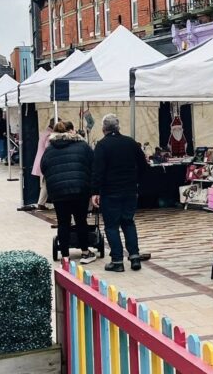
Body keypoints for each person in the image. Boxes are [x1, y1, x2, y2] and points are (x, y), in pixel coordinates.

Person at [92, 113, 148, 272]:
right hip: (130, 190)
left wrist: (95, 191)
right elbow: (144, 166)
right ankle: (135, 256)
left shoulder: (102, 145)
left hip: (110, 191)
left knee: (111, 226)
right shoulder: (131, 143)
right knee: (128, 222)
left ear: (104, 129)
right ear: (118, 127)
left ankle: (117, 261)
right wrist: (136, 182)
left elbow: (98, 170)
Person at [42, 121, 96, 263]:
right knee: (81, 221)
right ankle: (85, 252)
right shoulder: (82, 146)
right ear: (70, 131)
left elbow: (44, 167)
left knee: (63, 222)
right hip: (80, 190)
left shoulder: (50, 149)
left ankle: (65, 255)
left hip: (59, 192)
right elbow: (93, 163)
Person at [32, 119, 55, 211]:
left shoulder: (45, 132)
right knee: (45, 182)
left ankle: (41, 203)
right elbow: (47, 146)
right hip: (45, 160)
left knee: (45, 182)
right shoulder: (49, 134)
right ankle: (41, 203)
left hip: (41, 160)